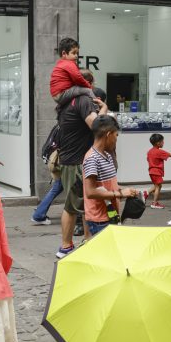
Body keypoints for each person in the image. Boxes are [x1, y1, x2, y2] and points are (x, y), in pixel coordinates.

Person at [56, 69, 108, 258]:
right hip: (79, 160)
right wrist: (103, 109)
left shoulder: (66, 101)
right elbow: (98, 126)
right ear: (89, 84)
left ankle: (71, 245)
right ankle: (79, 244)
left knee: (75, 205)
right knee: (82, 206)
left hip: (71, 159)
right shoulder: (84, 100)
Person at [83, 115, 139, 236]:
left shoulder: (107, 156)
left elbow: (107, 185)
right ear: (108, 135)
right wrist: (119, 194)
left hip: (110, 215)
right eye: (116, 135)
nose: (116, 140)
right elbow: (90, 192)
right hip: (100, 220)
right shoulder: (92, 158)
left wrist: (124, 191)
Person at [50, 38, 95, 108]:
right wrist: (89, 86)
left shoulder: (60, 64)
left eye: (77, 53)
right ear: (64, 53)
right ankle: (97, 107)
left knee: (78, 90)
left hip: (57, 95)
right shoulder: (69, 64)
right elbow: (78, 78)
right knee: (88, 91)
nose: (76, 56)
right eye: (74, 53)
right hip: (62, 93)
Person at [147, 133, 171, 209]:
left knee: (157, 185)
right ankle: (154, 203)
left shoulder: (150, 151)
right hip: (157, 171)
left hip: (151, 171)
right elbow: (170, 155)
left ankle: (146, 193)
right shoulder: (159, 151)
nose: (163, 143)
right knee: (158, 187)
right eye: (162, 141)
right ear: (158, 143)